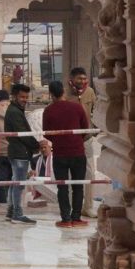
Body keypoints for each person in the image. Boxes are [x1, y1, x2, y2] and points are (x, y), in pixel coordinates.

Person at [44, 79, 91, 227]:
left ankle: (66, 219)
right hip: (78, 152)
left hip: (60, 153)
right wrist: (76, 139)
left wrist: (59, 141)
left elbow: (47, 132)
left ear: (51, 94)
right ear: (63, 92)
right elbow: (85, 128)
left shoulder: (49, 110)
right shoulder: (76, 107)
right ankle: (76, 217)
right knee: (78, 186)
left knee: (62, 187)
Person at [4, 83, 45, 225]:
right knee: (19, 184)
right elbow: (23, 135)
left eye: (26, 97)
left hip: (19, 151)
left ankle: (11, 211)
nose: (25, 99)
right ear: (14, 96)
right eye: (22, 96)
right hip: (19, 152)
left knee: (15, 182)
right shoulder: (14, 112)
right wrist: (37, 145)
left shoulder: (16, 110)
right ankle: (17, 214)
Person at [68, 67, 99, 217]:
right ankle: (72, 206)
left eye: (84, 78)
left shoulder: (90, 92)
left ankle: (89, 206)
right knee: (71, 174)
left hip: (86, 139)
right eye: (79, 78)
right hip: (71, 140)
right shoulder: (66, 94)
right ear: (72, 79)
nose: (83, 81)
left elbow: (96, 109)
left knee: (90, 172)